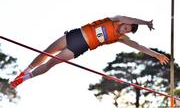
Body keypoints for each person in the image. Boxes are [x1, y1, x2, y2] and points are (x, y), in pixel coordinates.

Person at [10, 15, 169, 88]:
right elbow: (130, 19)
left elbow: (139, 47)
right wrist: (145, 22)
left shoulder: (121, 38)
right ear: (124, 22)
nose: (124, 29)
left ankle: (24, 79)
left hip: (80, 47)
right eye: (126, 26)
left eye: (127, 30)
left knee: (51, 62)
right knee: (46, 52)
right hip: (76, 35)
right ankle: (24, 71)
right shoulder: (116, 19)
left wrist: (156, 55)